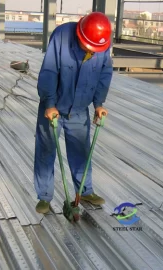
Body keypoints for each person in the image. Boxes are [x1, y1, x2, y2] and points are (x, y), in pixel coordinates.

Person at [34, 12, 113, 214]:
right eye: (89, 46)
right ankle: (44, 197)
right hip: (53, 108)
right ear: (80, 35)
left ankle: (85, 191)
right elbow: (49, 72)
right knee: (46, 151)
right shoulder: (61, 36)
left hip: (79, 109)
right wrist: (49, 103)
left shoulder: (102, 45)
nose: (91, 51)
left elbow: (104, 74)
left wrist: (98, 104)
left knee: (81, 152)